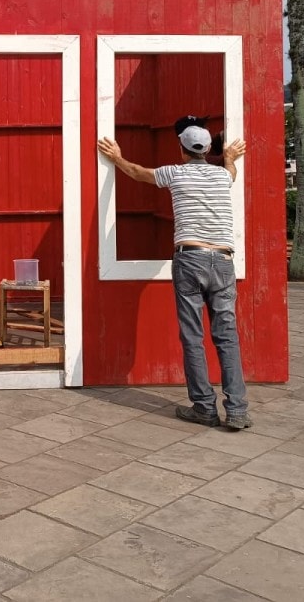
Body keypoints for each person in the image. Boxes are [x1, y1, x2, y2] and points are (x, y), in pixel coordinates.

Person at [97, 122, 251, 430]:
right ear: (209, 151)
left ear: (181, 149)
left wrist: (116, 157)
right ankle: (237, 410)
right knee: (227, 337)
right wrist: (231, 158)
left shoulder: (175, 173)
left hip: (190, 257)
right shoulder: (222, 175)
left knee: (193, 336)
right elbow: (231, 174)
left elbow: (139, 173)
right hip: (223, 260)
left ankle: (204, 408)